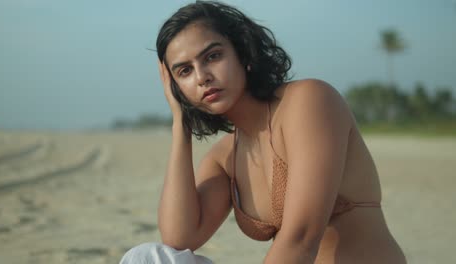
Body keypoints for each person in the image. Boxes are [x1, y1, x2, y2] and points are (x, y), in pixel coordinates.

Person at [120, 1, 407, 263]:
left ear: (242, 52)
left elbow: (301, 238)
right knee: (146, 258)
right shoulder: (225, 157)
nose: (202, 77)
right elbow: (180, 239)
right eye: (184, 71)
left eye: (213, 56)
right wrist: (180, 124)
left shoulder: (308, 101)